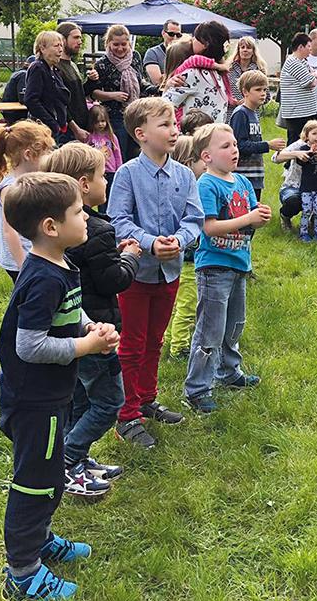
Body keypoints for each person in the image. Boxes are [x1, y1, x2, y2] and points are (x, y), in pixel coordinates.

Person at [0, 172, 119, 600]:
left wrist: (91, 326)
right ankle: (23, 573)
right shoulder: (43, 277)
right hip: (33, 401)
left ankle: (40, 539)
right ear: (51, 226)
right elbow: (29, 345)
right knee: (35, 482)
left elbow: (71, 309)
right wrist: (84, 346)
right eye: (77, 212)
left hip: (51, 395)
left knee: (49, 476)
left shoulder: (60, 264)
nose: (86, 217)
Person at [43, 144, 141, 500]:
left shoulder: (55, 232)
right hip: (99, 330)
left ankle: (76, 459)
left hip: (71, 328)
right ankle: (68, 461)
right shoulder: (96, 229)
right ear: (84, 185)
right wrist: (129, 258)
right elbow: (112, 280)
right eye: (102, 175)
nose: (107, 180)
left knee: (80, 399)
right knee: (109, 401)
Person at [107, 97, 204, 448]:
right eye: (164, 125)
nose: (173, 129)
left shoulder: (183, 174)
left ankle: (145, 399)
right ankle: (126, 413)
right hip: (135, 273)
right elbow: (118, 220)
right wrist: (149, 243)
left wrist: (179, 240)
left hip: (170, 272)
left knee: (155, 340)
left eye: (174, 123)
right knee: (131, 343)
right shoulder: (127, 174)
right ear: (141, 134)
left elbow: (195, 219)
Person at [182, 123, 269, 413]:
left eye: (234, 144)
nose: (234, 150)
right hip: (214, 268)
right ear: (206, 156)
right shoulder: (206, 184)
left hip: (238, 264)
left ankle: (230, 373)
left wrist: (258, 218)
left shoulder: (242, 183)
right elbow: (208, 228)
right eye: (225, 146)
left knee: (234, 325)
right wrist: (248, 220)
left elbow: (250, 218)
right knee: (210, 331)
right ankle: (197, 389)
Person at [164, 115, 210, 360]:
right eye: (200, 160)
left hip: (180, 257)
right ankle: (179, 347)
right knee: (188, 304)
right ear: (188, 162)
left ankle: (170, 338)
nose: (206, 164)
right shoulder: (190, 189)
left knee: (177, 302)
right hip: (190, 259)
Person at [0, 121, 56, 282]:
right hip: (20, 257)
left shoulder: (33, 178)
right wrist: (23, 266)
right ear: (28, 154)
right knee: (29, 299)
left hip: (34, 251)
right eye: (45, 152)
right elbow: (9, 231)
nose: (49, 156)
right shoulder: (11, 187)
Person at [87, 24, 154, 161]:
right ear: (108, 43)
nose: (120, 48)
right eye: (115, 44)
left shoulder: (135, 57)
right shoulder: (102, 64)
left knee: (139, 152)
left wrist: (155, 88)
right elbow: (93, 93)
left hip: (136, 113)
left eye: (124, 44)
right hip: (115, 117)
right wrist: (113, 95)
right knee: (120, 154)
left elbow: (140, 81)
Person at [272, 117, 317, 230]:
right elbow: (275, 158)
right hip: (294, 187)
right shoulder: (301, 144)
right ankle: (285, 216)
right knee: (294, 201)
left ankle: (314, 220)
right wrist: (296, 154)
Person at [163, 20, 235, 125]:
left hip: (193, 138)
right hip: (214, 135)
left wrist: (167, 87)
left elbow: (163, 106)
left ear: (205, 44)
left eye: (195, 38)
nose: (192, 39)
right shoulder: (219, 74)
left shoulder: (193, 75)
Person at [229, 70, 285, 201]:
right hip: (243, 175)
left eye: (265, 90)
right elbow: (240, 145)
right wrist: (268, 145)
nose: (263, 93)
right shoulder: (240, 114)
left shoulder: (254, 113)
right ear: (245, 91)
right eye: (258, 89)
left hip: (254, 175)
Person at [24, 31, 72, 145]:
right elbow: (31, 100)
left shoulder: (54, 70)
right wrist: (51, 123)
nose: (60, 50)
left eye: (61, 46)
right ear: (43, 48)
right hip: (42, 130)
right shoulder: (38, 68)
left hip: (55, 129)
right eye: (56, 46)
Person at [54, 22, 96, 142]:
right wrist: (76, 129)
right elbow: (60, 103)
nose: (80, 41)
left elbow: (78, 95)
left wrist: (92, 81)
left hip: (81, 127)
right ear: (62, 39)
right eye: (76, 37)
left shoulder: (72, 65)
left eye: (81, 38)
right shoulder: (55, 66)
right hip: (67, 131)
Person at [278, 33, 317, 144]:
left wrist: (313, 75)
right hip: (296, 113)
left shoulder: (302, 62)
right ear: (300, 47)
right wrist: (314, 75)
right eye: (308, 46)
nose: (310, 50)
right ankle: (290, 161)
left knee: (304, 142)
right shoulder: (293, 62)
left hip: (304, 111)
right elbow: (312, 82)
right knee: (295, 143)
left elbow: (313, 75)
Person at [83, 104, 122, 209]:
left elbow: (117, 154)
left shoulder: (111, 137)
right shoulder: (90, 137)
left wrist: (119, 169)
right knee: (101, 197)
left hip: (111, 171)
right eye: (97, 122)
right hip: (98, 172)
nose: (100, 124)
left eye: (103, 121)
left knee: (111, 195)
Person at [225, 36, 267, 114]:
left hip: (251, 113)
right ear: (238, 50)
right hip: (231, 112)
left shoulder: (259, 70)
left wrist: (249, 101)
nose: (245, 50)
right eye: (242, 47)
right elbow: (222, 90)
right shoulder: (228, 69)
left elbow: (266, 96)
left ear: (253, 51)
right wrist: (232, 101)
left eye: (248, 47)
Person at [142, 19, 182, 86]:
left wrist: (166, 76)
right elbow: (157, 82)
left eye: (178, 35)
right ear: (163, 33)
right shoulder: (152, 53)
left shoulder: (184, 53)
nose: (175, 38)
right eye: (171, 34)